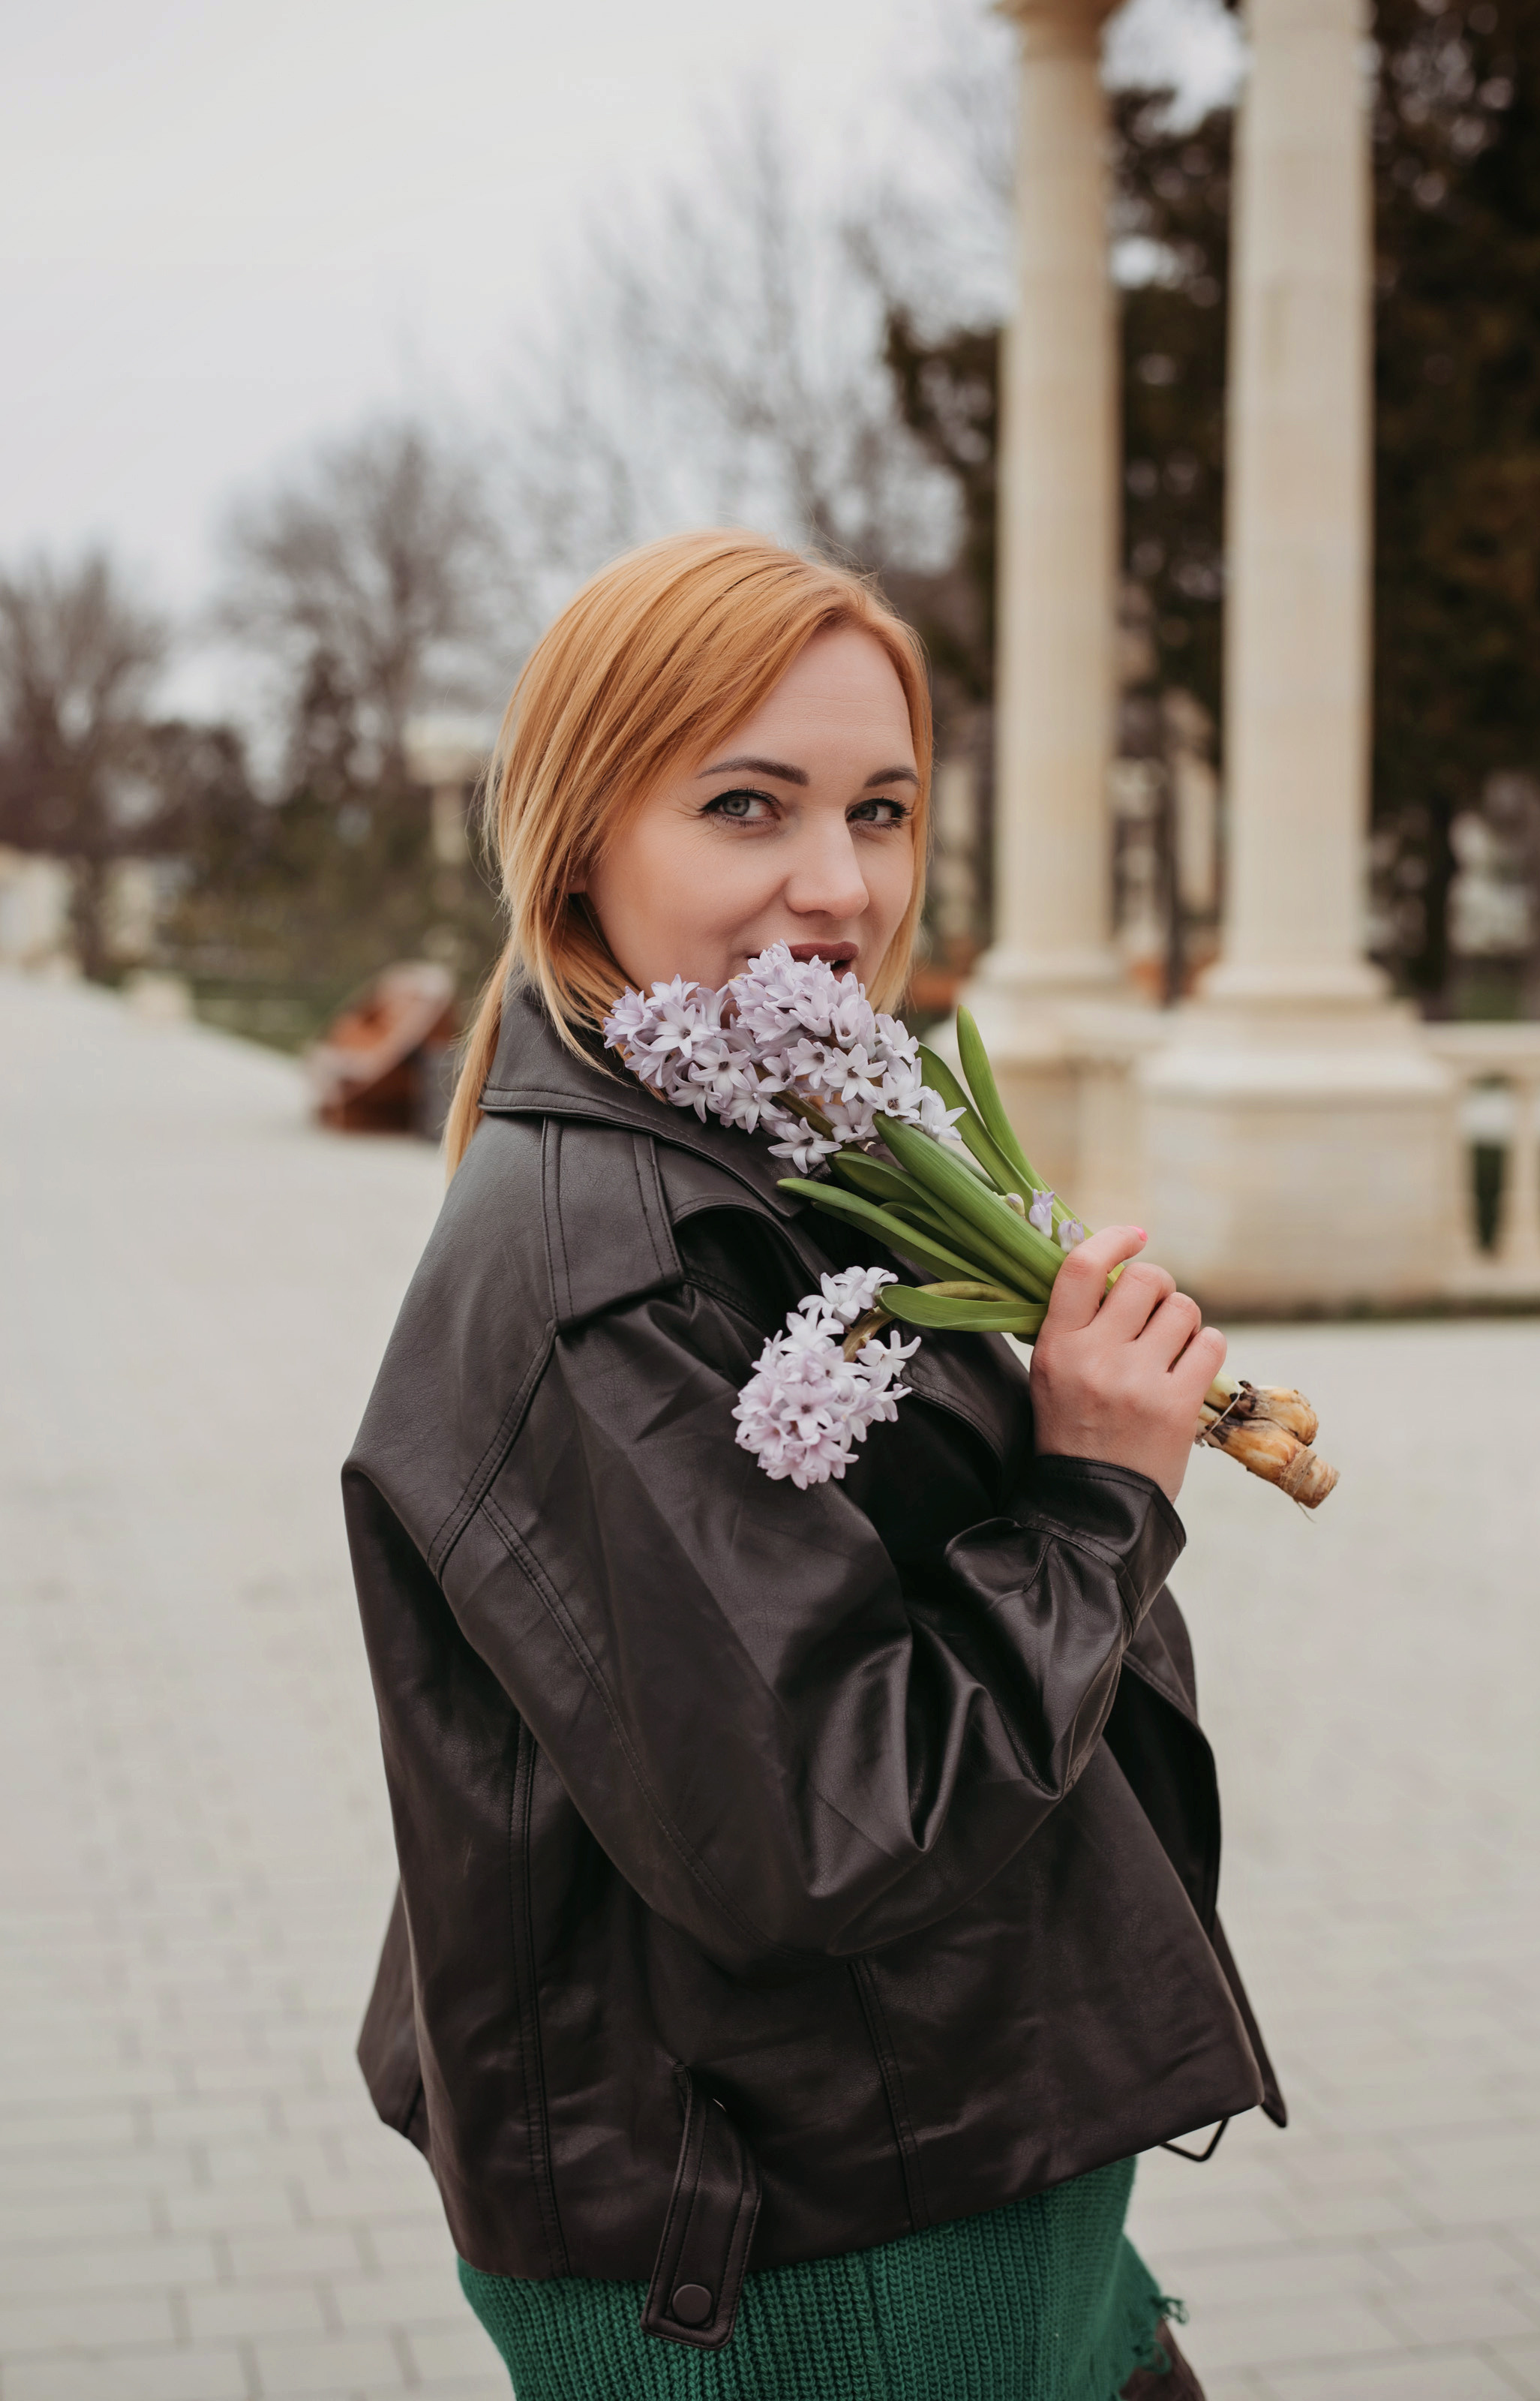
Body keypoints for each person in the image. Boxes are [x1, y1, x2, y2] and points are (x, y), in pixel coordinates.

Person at [344, 530, 1283, 2401]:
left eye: (880, 807)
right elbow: (819, 1829)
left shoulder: (768, 1154)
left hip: (923, 2143)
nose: (837, 885)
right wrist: (1099, 1490)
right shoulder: (610, 1266)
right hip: (791, 2252)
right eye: (746, 806)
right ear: (578, 835)